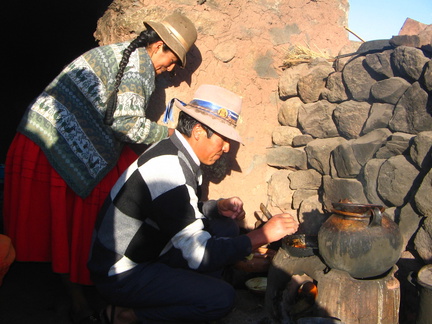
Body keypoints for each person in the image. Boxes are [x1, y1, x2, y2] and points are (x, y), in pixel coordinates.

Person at [2, 13, 197, 324]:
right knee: (79, 220)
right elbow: (126, 123)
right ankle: (83, 298)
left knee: (66, 224)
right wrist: (171, 135)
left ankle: (76, 295)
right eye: (172, 60)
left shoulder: (126, 54)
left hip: (43, 134)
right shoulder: (138, 67)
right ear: (159, 46)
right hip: (54, 143)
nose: (171, 70)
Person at [87, 84, 299, 324]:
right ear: (198, 131)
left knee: (226, 227)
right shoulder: (169, 169)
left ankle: (200, 281)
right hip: (122, 273)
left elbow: (175, 210)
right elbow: (198, 254)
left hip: (153, 250)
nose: (227, 147)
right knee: (220, 299)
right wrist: (261, 235)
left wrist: (215, 207)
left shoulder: (178, 153)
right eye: (223, 138)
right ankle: (128, 315)